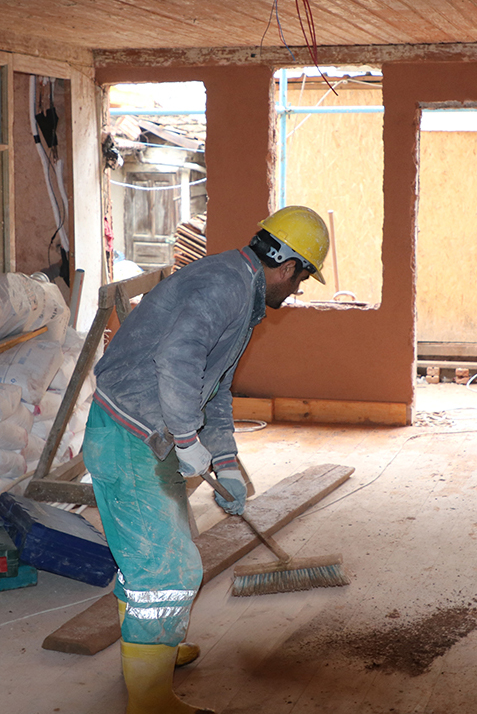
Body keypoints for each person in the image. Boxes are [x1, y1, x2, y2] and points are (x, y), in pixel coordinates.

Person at [81, 205, 329, 714]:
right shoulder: (225, 287)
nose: (297, 290)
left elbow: (214, 387)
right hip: (130, 435)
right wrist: (187, 437)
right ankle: (149, 700)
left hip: (145, 433)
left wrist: (227, 462)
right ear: (287, 267)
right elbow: (176, 360)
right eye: (302, 279)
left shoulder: (239, 287)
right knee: (167, 570)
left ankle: (155, 645)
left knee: (149, 555)